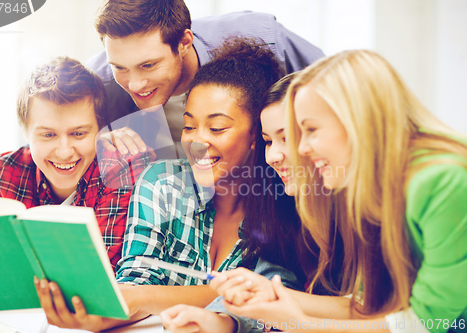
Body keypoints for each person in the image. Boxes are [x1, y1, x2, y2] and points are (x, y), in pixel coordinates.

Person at [205, 50, 467, 333]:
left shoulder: (441, 182)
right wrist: (271, 295)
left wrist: (301, 324)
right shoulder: (368, 188)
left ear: (357, 120)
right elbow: (368, 305)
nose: (302, 148)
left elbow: (430, 323)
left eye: (310, 130)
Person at [34, 38, 285, 331]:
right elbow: (136, 280)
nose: (196, 142)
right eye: (189, 126)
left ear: (258, 133)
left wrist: (142, 298)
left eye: (216, 128)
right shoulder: (161, 183)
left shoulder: (282, 203)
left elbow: (269, 298)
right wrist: (98, 316)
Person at [160, 74, 344, 333]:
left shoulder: (367, 210)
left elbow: (409, 322)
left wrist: (303, 324)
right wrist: (224, 318)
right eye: (269, 141)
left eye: (288, 137)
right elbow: (354, 307)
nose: (273, 156)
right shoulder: (292, 206)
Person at [0, 56, 152, 301]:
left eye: (78, 133)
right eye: (48, 135)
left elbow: (100, 279)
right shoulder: (10, 169)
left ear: (100, 130)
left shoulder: (120, 167)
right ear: (26, 133)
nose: (64, 151)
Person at [88, 0, 324, 155]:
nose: (135, 84)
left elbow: (342, 100)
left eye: (148, 65)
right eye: (120, 68)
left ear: (184, 43)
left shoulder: (266, 39)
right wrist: (95, 147)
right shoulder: (96, 84)